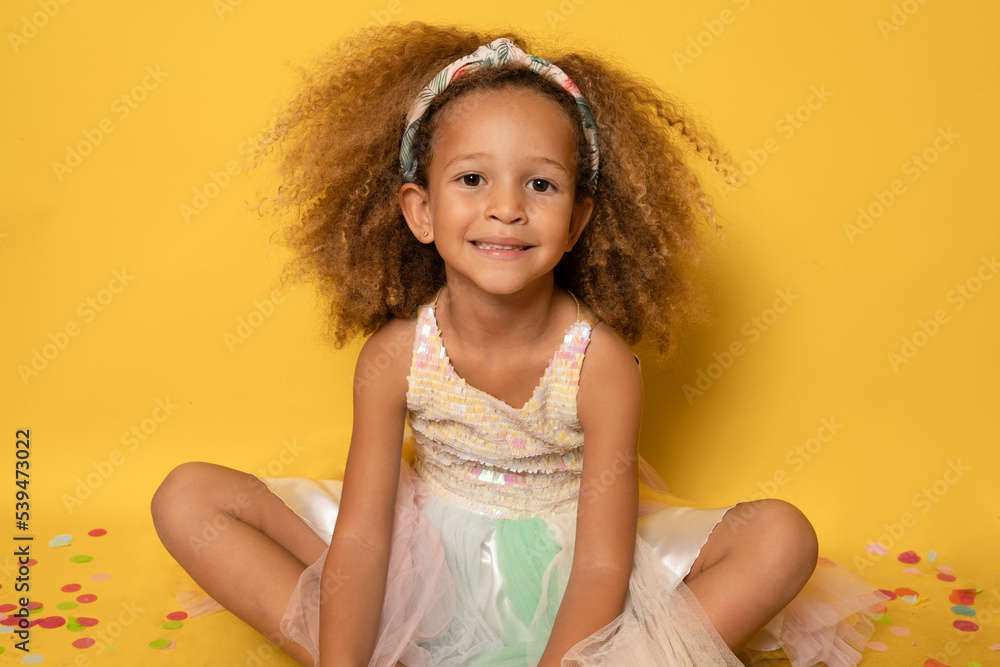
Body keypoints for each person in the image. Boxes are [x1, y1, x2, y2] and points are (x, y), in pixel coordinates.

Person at [151, 23, 888, 667]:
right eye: (473, 178)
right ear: (420, 211)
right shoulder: (395, 356)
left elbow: (601, 564)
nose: (506, 207)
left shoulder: (599, 364)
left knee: (782, 536)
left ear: (577, 221)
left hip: (574, 574)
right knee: (188, 496)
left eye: (541, 185)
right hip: (424, 560)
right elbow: (365, 540)